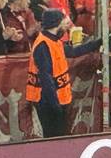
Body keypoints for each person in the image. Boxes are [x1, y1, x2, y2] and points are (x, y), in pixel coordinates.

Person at [27, 9, 100, 138]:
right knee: (54, 137)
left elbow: (73, 52)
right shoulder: (43, 45)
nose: (66, 28)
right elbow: (46, 78)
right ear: (56, 25)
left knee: (61, 135)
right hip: (48, 100)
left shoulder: (53, 40)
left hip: (58, 97)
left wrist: (98, 42)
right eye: (64, 24)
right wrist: (55, 105)